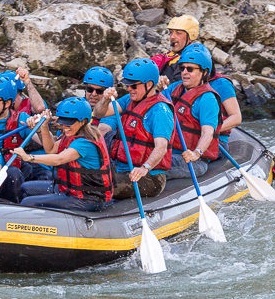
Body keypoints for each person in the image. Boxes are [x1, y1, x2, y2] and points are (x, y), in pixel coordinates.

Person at [11, 98, 113, 211]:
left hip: (88, 198)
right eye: (63, 123)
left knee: (28, 202)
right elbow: (51, 149)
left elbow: (59, 159)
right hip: (69, 189)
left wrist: (28, 157)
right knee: (25, 188)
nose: (65, 127)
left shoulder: (85, 143)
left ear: (83, 121)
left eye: (69, 123)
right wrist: (43, 127)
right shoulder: (72, 134)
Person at [93, 58, 174, 199]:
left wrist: (144, 168)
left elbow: (161, 147)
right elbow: (100, 113)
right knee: (86, 174)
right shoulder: (129, 100)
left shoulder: (160, 110)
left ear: (149, 84)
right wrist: (105, 99)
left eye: (133, 86)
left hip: (150, 177)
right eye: (127, 85)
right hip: (122, 167)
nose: (129, 89)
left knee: (98, 185)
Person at [162, 43, 220, 180]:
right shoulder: (175, 87)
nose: (184, 72)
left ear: (204, 72)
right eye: (182, 68)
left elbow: (207, 132)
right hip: (169, 151)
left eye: (190, 69)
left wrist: (196, 153)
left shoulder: (207, 98)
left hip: (194, 161)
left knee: (158, 167)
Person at [0, 73, 48, 182]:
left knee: (19, 173)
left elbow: (47, 145)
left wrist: (40, 129)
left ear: (7, 103)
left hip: (11, 171)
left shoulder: (21, 119)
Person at [151, 14, 200, 83]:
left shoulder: (192, 60)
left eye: (178, 33)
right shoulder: (169, 56)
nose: (172, 37)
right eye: (171, 32)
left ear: (190, 37)